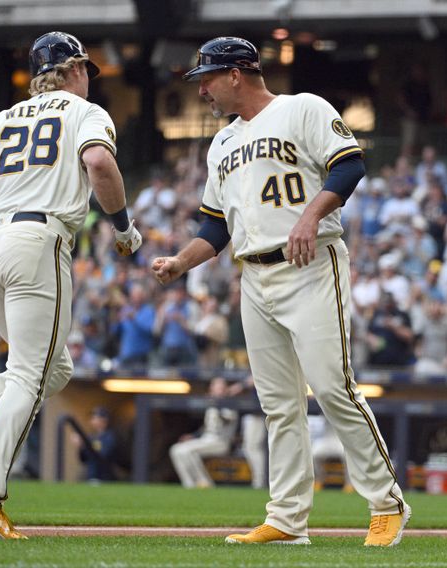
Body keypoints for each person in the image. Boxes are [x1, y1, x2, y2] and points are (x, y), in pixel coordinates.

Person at [152, 37, 409, 547]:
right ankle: (288, 519)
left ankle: (386, 503)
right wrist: (182, 261)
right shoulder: (221, 143)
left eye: (207, 77)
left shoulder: (302, 108)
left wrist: (311, 217)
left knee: (333, 387)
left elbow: (350, 164)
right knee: (278, 404)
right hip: (255, 274)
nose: (200, 88)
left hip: (311, 264)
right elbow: (215, 226)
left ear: (237, 74)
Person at [0, 31, 142, 539]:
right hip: (37, 238)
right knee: (31, 373)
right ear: (73, 71)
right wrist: (122, 227)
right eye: (86, 69)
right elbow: (98, 163)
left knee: (53, 366)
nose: (89, 76)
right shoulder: (84, 112)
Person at [169, 377, 239, 488]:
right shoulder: (211, 405)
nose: (218, 390)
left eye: (221, 388)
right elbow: (207, 428)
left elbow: (226, 420)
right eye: (215, 387)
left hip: (221, 442)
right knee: (176, 450)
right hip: (206, 439)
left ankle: (205, 483)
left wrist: (217, 404)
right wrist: (192, 436)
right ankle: (189, 484)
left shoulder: (229, 404)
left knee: (188, 452)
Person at [72, 406, 117, 482]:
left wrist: (85, 446)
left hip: (104, 477)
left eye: (95, 418)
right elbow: (83, 459)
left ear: (104, 420)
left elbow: (103, 455)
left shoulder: (110, 437)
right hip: (91, 475)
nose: (92, 421)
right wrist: (81, 446)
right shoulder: (91, 437)